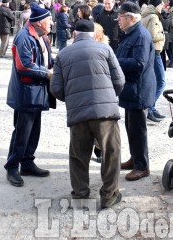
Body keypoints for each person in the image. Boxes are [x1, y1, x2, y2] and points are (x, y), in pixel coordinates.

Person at [50, 19, 125, 209]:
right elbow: (120, 80)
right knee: (111, 153)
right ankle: (109, 195)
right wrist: (107, 96)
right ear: (94, 34)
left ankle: (81, 196)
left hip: (79, 112)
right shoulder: (105, 49)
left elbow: (56, 89)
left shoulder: (63, 54)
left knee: (78, 155)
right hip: (105, 112)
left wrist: (74, 99)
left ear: (74, 34)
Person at [4, 3, 54, 187]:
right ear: (40, 22)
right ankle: (12, 166)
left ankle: (27, 162)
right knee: (22, 132)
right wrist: (47, 73)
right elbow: (24, 65)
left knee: (34, 131)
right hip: (26, 93)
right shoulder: (24, 37)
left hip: (37, 91)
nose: (52, 23)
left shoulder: (42, 36)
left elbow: (46, 59)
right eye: (49, 20)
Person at [115, 2, 156, 182]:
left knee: (138, 130)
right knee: (131, 128)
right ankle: (135, 158)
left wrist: (115, 62)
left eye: (121, 17)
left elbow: (139, 64)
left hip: (138, 89)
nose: (118, 20)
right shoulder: (130, 34)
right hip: (131, 89)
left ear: (132, 18)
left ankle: (142, 166)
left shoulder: (140, 35)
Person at [140, 0, 166, 123]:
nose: (163, 7)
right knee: (161, 82)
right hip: (155, 51)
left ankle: (152, 108)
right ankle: (149, 107)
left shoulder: (145, 14)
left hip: (149, 51)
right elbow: (152, 35)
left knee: (154, 81)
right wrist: (163, 34)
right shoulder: (154, 16)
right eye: (161, 4)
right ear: (156, 5)